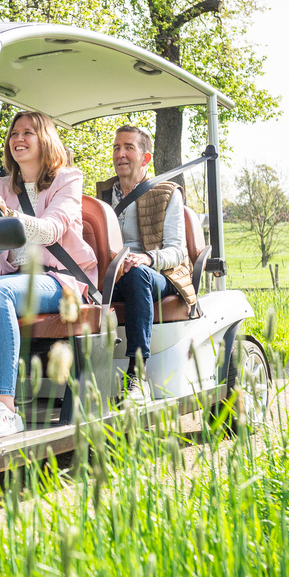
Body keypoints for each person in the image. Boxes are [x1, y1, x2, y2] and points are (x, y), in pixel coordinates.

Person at [0, 111, 98, 438]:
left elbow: (52, 231)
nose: (18, 139)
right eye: (14, 133)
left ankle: (5, 408)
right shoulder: (2, 185)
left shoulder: (67, 178)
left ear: (45, 140)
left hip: (61, 279)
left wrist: (7, 213)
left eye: (28, 132)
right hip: (15, 279)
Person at [95, 126, 197, 404]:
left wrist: (147, 258)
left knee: (138, 274)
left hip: (158, 275)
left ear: (146, 158)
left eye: (128, 147)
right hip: (111, 275)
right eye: (116, 148)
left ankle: (137, 379)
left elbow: (177, 250)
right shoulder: (101, 195)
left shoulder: (167, 192)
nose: (121, 154)